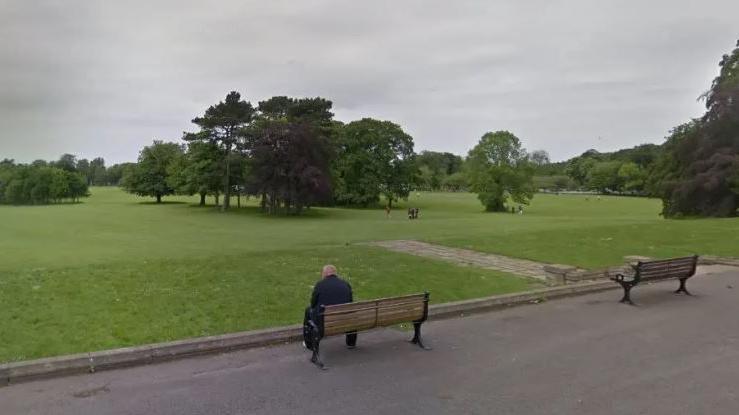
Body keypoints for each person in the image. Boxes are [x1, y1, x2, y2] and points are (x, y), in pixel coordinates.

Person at [303, 265, 356, 350]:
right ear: (335, 273)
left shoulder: (320, 284)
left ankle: (308, 342)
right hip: (345, 318)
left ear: (324, 273)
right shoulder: (345, 283)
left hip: (325, 321)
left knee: (308, 310)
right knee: (348, 311)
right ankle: (351, 342)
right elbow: (350, 301)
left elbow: (313, 304)